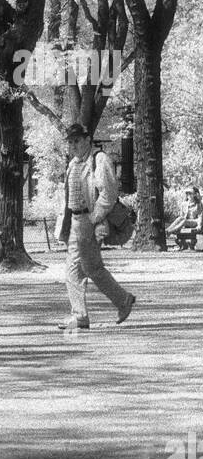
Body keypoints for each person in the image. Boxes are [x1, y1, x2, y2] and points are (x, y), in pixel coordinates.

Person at [59, 123, 136, 330]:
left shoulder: (99, 159)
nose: (73, 145)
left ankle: (85, 314)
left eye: (77, 140)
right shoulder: (74, 163)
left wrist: (95, 218)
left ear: (87, 140)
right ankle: (120, 301)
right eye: (70, 141)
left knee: (80, 268)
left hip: (88, 220)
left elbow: (109, 193)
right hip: (77, 221)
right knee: (87, 268)